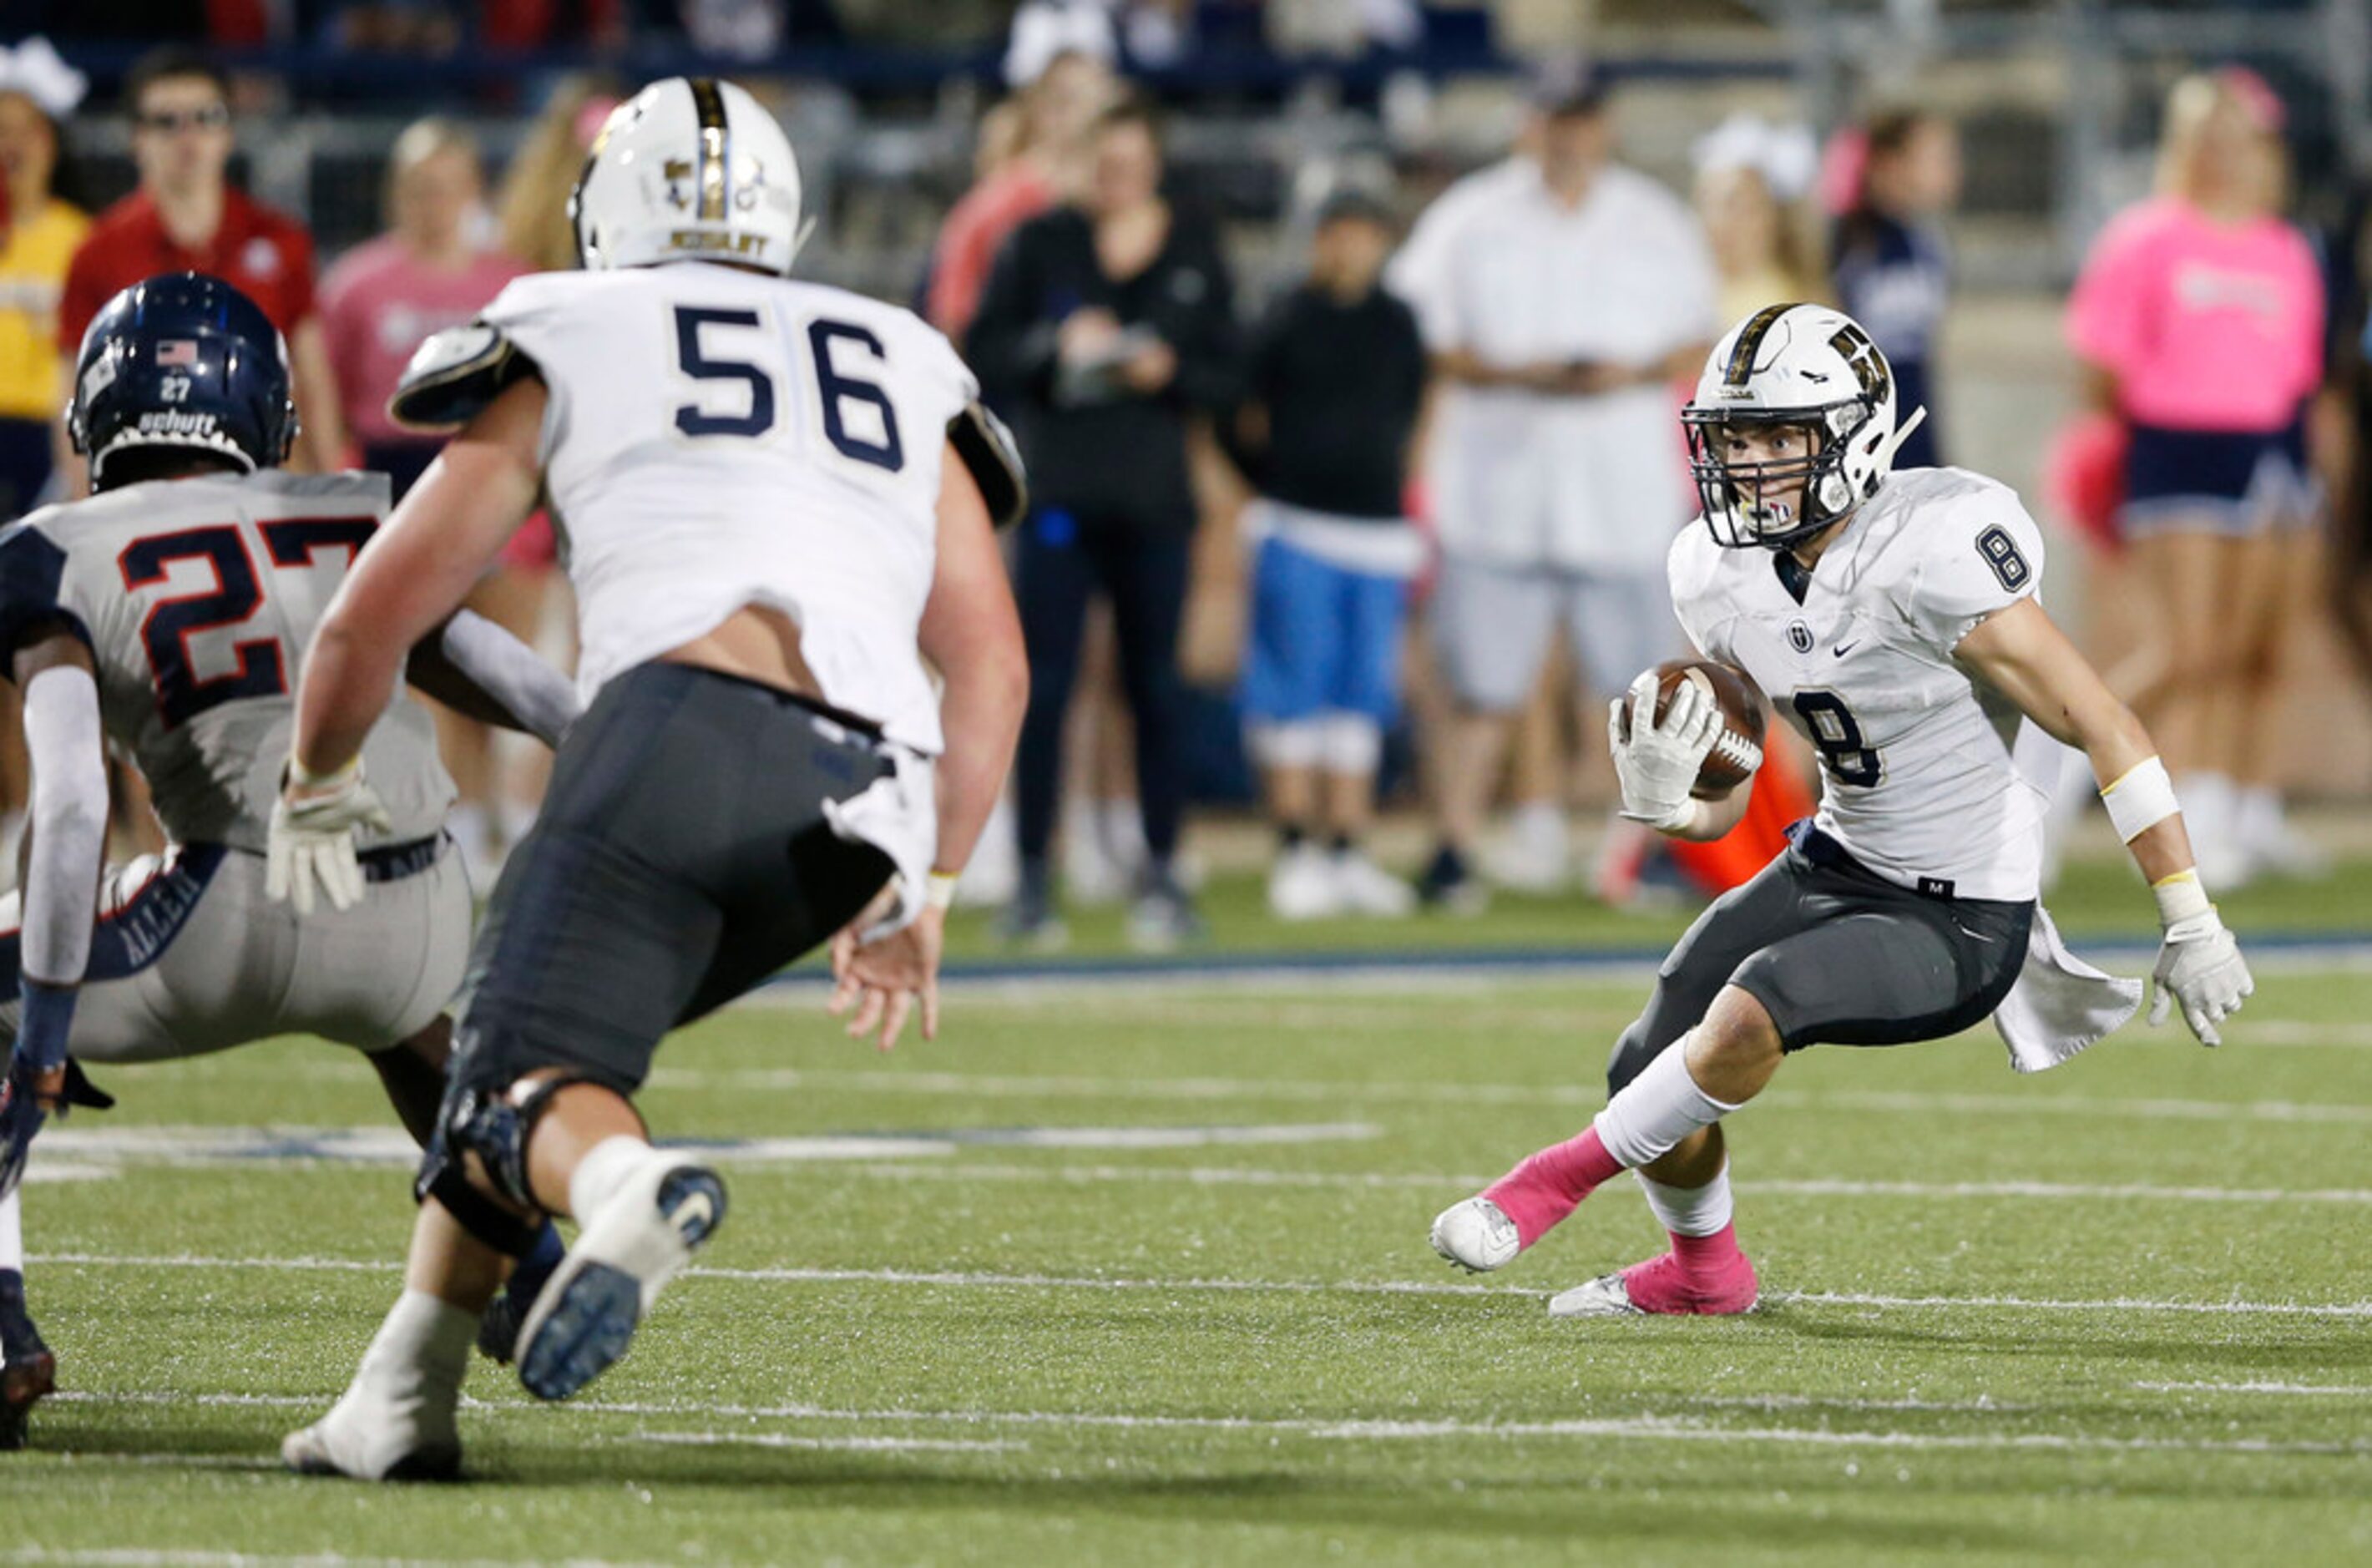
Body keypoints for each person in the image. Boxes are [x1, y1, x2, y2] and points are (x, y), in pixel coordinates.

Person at [274, 77, 1029, 1480]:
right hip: (870, 801)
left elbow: (375, 609)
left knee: (509, 1081)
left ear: (604, 205)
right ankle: (403, 1394)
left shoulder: (574, 318)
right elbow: (990, 665)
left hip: (682, 726)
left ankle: (626, 1189)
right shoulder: (902, 349)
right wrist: (928, 884)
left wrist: (315, 776)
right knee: (531, 1047)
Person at [1429, 303, 2254, 1316]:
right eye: (1737, 437)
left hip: (1959, 908)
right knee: (1644, 1060)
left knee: (1754, 1008)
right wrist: (1664, 805)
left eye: (1782, 436)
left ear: (1856, 434)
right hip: (1835, 859)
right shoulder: (1714, 570)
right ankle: (1705, 1277)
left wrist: (2190, 916)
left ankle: (1546, 1183)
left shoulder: (1932, 543)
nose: (1754, 462)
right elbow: (1727, 805)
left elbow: (2106, 722)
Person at [0, 272, 579, 1449]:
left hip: (230, 907)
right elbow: (533, 692)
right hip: (424, 908)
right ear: (267, 410)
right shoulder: (353, 515)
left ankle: (0, 1319)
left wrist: (44, 1042)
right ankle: (534, 1250)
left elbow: (68, 807)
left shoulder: (45, 550)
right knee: (408, 1024)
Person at [1386, 58, 1718, 913]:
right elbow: (1416, 334)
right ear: (1524, 124)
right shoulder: (1470, 218)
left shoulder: (1652, 219)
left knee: (1647, 687)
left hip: (1620, 487)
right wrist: (1514, 373)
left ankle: (1653, 853)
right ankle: (1454, 849)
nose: (1568, 136)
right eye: (1553, 118)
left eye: (1581, 119)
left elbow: (1698, 338)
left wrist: (1627, 371)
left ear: (1601, 126)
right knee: (1480, 687)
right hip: (1500, 482)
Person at [968, 93, 1237, 949]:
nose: (1118, 181)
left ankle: (1162, 868)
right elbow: (981, 353)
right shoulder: (1041, 240)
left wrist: (1169, 370)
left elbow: (1232, 374)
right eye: (1105, 164)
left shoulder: (1194, 245)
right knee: (1043, 685)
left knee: (1156, 687)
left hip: (1156, 498)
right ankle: (1032, 875)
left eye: (1132, 164)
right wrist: (1058, 351)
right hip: (1062, 495)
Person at [2066, 68, 2324, 887]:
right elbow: (2102, 364)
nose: (2225, 156)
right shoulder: (2146, 236)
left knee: (2253, 647)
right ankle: (2057, 775)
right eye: (2208, 139)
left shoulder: (2285, 245)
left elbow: (2298, 369)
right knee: (2188, 649)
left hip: (2270, 451)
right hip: (2177, 447)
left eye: (2239, 139)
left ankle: (2231, 809)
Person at [320, 119, 530, 882]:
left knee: (501, 674)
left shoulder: (510, 286)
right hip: (394, 474)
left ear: (472, 191)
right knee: (424, 670)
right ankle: (466, 829)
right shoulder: (357, 283)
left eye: (445, 186)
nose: (432, 202)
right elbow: (328, 395)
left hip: (490, 472)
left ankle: (507, 819)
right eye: (417, 187)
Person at [1227, 184, 1427, 919]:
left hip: (1376, 531)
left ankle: (1345, 849)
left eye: (1362, 233)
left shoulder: (1398, 320)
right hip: (1298, 523)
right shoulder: (1285, 316)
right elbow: (1237, 412)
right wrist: (1261, 489)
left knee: (1358, 700)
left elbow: (1414, 405)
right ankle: (1293, 849)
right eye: (1337, 234)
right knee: (1294, 696)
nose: (1349, 249)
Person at [54, 49, 346, 488]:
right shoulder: (97, 251)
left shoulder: (283, 240)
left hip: (266, 480)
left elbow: (310, 373)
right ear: (136, 138)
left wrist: (330, 483)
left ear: (229, 132)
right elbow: (72, 388)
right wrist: (84, 506)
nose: (188, 136)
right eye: (166, 122)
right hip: (140, 481)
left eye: (206, 117)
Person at [1829, 108, 1959, 471]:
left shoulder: (1928, 244)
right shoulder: (1845, 242)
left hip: (1914, 431)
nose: (1951, 169)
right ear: (1890, 164)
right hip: (1855, 437)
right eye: (1936, 158)